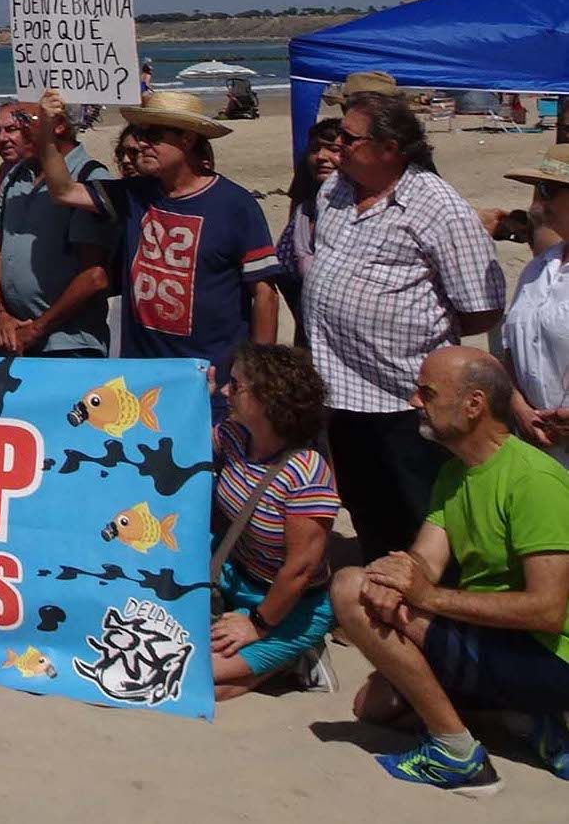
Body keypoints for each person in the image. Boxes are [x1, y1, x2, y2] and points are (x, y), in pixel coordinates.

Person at [332, 347, 569, 794]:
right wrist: (392, 575)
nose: (413, 401)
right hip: (496, 640)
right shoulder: (456, 473)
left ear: (474, 404)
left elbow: (547, 611)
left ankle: (458, 755)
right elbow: (425, 558)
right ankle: (522, 715)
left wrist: (425, 596)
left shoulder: (534, 481)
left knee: (348, 587)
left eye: (427, 392)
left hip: (549, 656)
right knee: (374, 706)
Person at [308, 91, 506, 560]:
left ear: (390, 147)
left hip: (406, 397)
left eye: (350, 138)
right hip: (340, 392)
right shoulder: (334, 189)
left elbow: (483, 307)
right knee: (366, 505)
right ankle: (385, 602)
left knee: (421, 512)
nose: (337, 144)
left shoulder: (436, 205)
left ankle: (435, 616)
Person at [32, 89, 280, 393]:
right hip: (141, 376)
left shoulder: (235, 205)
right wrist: (46, 128)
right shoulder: (135, 194)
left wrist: (255, 378)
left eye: (153, 135)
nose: (141, 143)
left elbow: (265, 294)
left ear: (187, 139)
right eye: (141, 133)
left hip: (209, 379)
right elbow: (63, 191)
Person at [209, 344, 341, 700]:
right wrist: (193, 395)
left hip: (288, 607)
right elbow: (184, 441)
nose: (225, 391)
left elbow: (300, 568)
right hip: (237, 581)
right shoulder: (236, 437)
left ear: (268, 399)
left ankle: (293, 655)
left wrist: (257, 625)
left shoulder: (307, 472)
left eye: (235, 386)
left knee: (195, 677)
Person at [0, 100, 116, 359]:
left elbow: (94, 276)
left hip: (70, 343)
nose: (16, 131)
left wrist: (37, 328)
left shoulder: (90, 178)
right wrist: (0, 313)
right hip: (14, 336)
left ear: (59, 125)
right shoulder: (16, 175)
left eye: (25, 120)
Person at [500, 144, 569, 463]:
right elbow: (511, 350)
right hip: (537, 447)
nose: (538, 203)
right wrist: (520, 408)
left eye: (548, 190)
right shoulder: (537, 268)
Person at [275, 119, 345, 338]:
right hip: (305, 331)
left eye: (334, 150)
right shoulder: (304, 211)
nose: (321, 157)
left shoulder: (358, 213)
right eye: (314, 149)